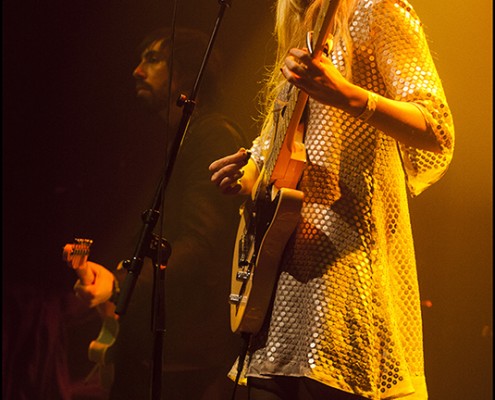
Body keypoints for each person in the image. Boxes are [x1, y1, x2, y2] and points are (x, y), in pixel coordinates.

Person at [209, 0, 454, 399]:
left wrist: (348, 95)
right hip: (280, 272)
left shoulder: (378, 10)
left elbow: (437, 128)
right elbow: (277, 138)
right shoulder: (299, 24)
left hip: (345, 271)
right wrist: (247, 174)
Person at [72, 27, 249, 399]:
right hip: (160, 349)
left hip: (182, 356)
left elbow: (203, 247)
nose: (137, 71)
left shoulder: (211, 136)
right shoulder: (179, 138)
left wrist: (121, 282)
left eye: (153, 59)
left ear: (186, 73)